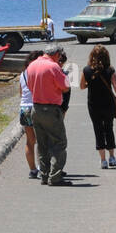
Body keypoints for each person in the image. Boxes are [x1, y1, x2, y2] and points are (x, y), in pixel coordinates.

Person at [26, 45, 71, 185]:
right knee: (59, 142)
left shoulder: (32, 65)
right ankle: (55, 176)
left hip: (36, 108)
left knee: (42, 144)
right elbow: (65, 87)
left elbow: (28, 85)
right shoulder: (53, 67)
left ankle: (44, 175)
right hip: (51, 109)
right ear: (57, 54)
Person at [80, 44, 116, 169]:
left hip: (93, 104)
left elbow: (82, 86)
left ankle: (103, 160)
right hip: (108, 104)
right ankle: (112, 157)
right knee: (109, 128)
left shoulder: (86, 70)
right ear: (106, 56)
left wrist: (91, 82)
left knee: (98, 130)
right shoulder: (110, 69)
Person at [18, 51, 42, 178]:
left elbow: (21, 93)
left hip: (24, 108)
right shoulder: (37, 72)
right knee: (41, 139)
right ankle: (42, 167)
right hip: (36, 106)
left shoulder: (22, 74)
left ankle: (32, 170)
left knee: (29, 141)